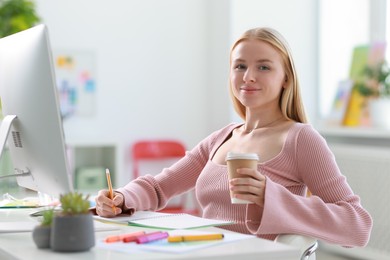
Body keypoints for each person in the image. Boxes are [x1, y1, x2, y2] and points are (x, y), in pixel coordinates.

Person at [95, 27, 372, 247]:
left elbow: (357, 226)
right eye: (240, 66)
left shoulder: (300, 139)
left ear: (286, 78)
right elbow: (159, 188)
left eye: (263, 67)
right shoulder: (221, 138)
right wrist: (120, 197)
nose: (248, 77)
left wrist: (270, 196)